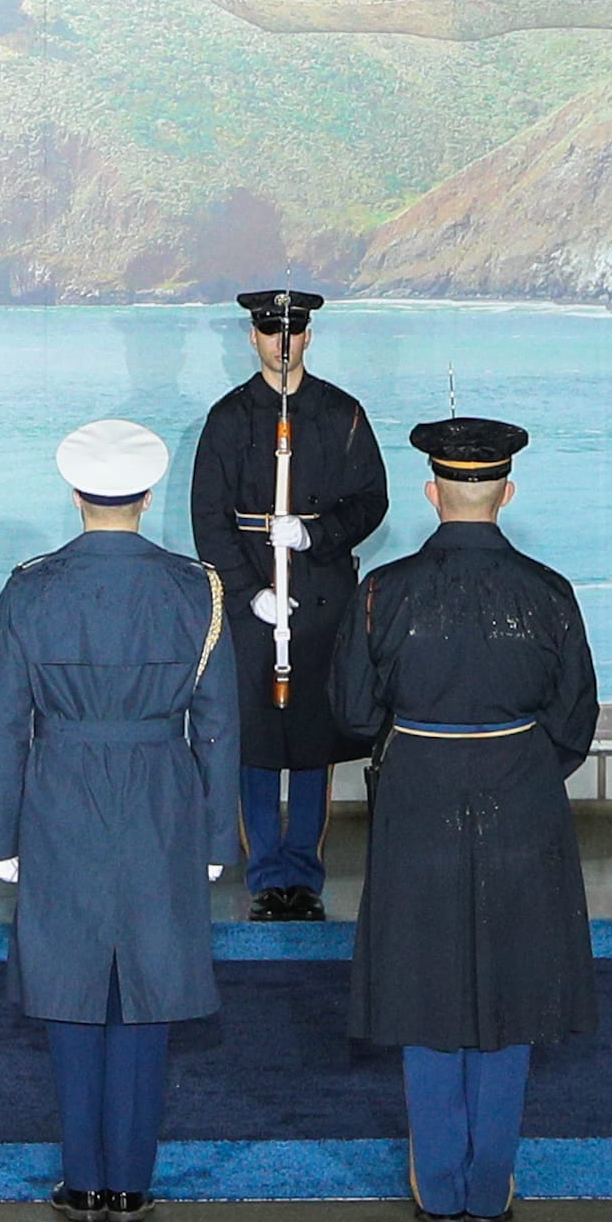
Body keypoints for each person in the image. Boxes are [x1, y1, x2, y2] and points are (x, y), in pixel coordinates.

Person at [336, 417, 598, 1222]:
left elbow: (350, 711)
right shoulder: (550, 592)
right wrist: (516, 767)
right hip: (521, 793)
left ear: (431, 492)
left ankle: (439, 1182)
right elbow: (575, 724)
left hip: (418, 792)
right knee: (513, 986)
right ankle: (491, 1183)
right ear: (507, 492)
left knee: (423, 983)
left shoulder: (383, 590)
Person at [0, 418, 235, 1222]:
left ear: (75, 491)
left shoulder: (29, 588)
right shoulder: (198, 588)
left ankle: (82, 1177)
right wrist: (218, 836)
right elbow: (220, 725)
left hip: (60, 791)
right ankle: (131, 1180)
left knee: (69, 983)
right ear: (149, 495)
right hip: (162, 790)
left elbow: (3, 723)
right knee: (149, 985)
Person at [188, 287, 386, 920]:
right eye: (271, 331)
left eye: (293, 330)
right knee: (254, 740)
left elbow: (370, 501)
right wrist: (252, 595)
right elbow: (209, 521)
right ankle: (264, 872)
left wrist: (314, 534)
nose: (282, 341)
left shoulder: (343, 414)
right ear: (253, 338)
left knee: (309, 741)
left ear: (307, 337)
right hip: (254, 604)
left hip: (322, 598)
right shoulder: (226, 420)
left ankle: (302, 871)